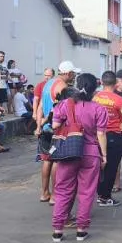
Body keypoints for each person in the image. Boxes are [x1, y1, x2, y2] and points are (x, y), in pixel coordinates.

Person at [50, 73, 108, 242]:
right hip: (91, 153)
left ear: (76, 86)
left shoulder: (64, 105)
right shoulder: (99, 109)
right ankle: (81, 230)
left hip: (68, 152)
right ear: (94, 90)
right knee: (87, 192)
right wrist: (104, 155)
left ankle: (57, 230)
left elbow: (54, 125)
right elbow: (101, 134)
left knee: (62, 191)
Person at [35, 61, 81, 203]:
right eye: (73, 73)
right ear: (67, 73)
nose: (74, 76)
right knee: (57, 161)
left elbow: (41, 106)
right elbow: (66, 109)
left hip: (45, 128)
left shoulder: (48, 84)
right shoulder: (62, 87)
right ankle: (55, 195)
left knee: (46, 160)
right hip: (57, 129)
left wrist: (38, 126)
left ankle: (44, 193)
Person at [94, 71, 122, 207]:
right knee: (111, 168)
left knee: (98, 166)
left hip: (97, 135)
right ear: (115, 84)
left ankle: (99, 193)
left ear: (102, 82)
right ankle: (105, 197)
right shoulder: (119, 99)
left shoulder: (95, 98)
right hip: (114, 135)